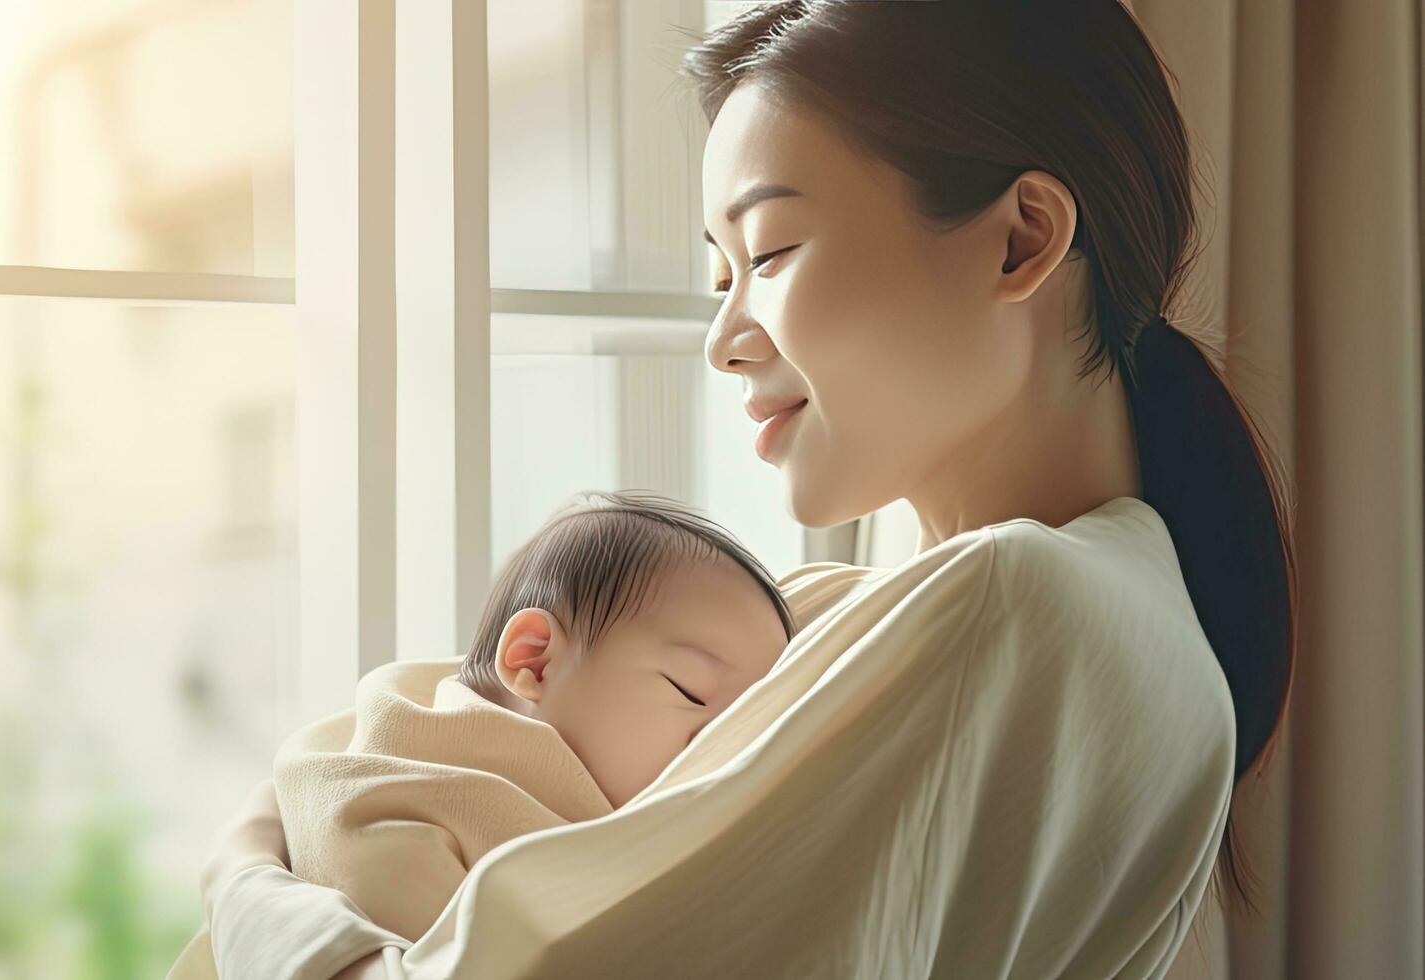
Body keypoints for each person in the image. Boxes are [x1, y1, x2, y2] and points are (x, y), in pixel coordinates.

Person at [193, 3, 1295, 977]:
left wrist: (246, 873)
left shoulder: (1012, 602)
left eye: (767, 252)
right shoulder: (1041, 606)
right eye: (719, 275)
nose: (721, 339)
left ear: (1020, 240)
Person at [168, 493, 794, 976]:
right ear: (533, 661)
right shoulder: (398, 796)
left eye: (745, 729)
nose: (720, 747)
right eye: (691, 693)